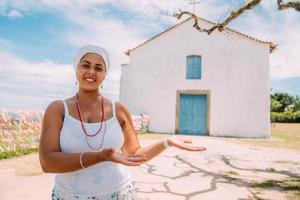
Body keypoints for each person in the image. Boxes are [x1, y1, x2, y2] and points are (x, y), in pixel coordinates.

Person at [39, 45, 206, 200]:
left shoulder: (118, 110)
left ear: (104, 75)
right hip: (69, 195)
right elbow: (47, 162)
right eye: (86, 65)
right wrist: (99, 157)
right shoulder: (58, 109)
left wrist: (166, 142)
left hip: (118, 193)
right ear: (76, 70)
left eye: (99, 68)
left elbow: (134, 154)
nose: (91, 71)